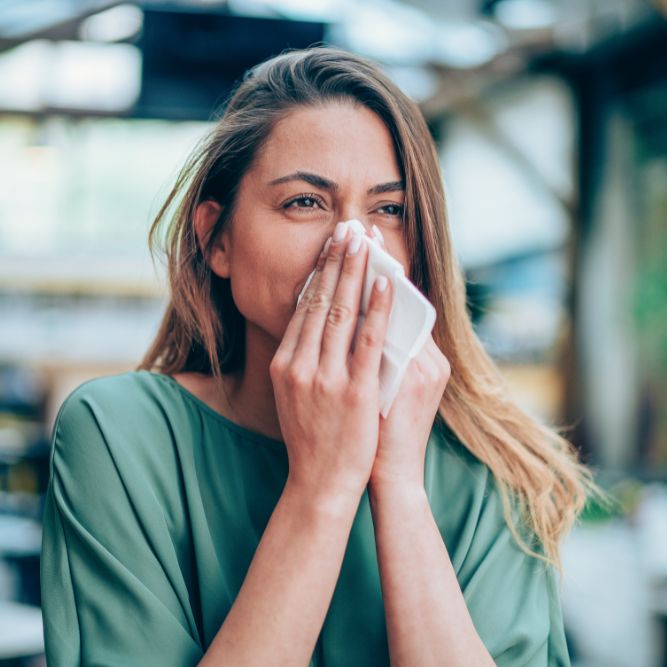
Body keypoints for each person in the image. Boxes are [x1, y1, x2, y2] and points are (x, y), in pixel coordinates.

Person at [40, 46, 597, 666]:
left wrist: (399, 487)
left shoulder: (488, 465)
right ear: (215, 238)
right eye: (305, 202)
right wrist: (322, 486)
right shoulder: (119, 435)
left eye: (388, 210)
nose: (353, 243)